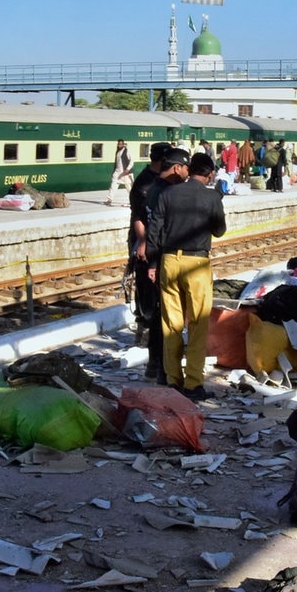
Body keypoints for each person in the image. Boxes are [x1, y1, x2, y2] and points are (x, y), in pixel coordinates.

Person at [147, 151, 227, 400]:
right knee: (197, 324)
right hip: (197, 264)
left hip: (169, 261)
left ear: (189, 169)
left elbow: (154, 229)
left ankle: (173, 381)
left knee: (171, 324)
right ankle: (193, 384)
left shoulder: (167, 193)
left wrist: (153, 261)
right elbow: (220, 230)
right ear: (210, 174)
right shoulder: (212, 196)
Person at [129, 142, 175, 381]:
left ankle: (157, 352)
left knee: (158, 304)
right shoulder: (145, 184)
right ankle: (148, 339)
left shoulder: (161, 183)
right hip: (146, 247)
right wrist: (145, 244)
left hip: (158, 246)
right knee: (151, 301)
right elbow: (139, 218)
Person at [105, 139, 134, 206]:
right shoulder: (117, 152)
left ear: (123, 144)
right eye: (118, 144)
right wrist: (114, 171)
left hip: (125, 173)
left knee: (129, 188)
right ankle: (109, 200)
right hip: (117, 172)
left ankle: (133, 201)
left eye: (121, 144)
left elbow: (132, 161)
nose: (119, 145)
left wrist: (127, 169)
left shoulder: (127, 151)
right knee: (113, 186)